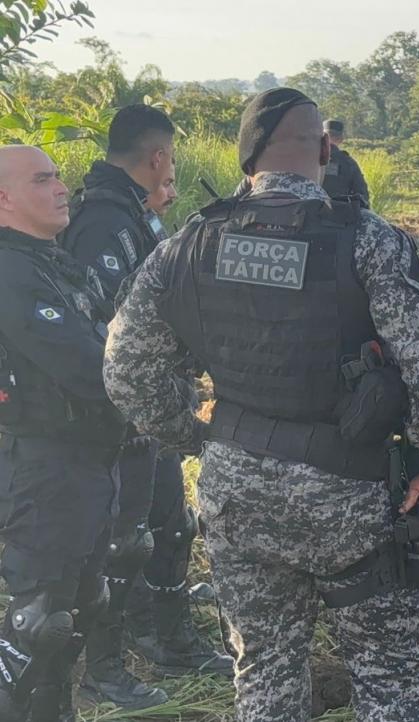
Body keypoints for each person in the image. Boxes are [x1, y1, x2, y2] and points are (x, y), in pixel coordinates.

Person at [102, 88, 419, 722]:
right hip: (355, 497)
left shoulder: (186, 246)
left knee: (265, 669)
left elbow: (126, 371)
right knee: (388, 680)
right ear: (326, 148)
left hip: (235, 495)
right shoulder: (369, 241)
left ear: (244, 159)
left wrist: (197, 439)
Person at [60, 104, 231, 710]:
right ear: (157, 156)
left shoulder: (137, 214)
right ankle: (106, 669)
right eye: (172, 159)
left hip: (157, 405)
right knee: (125, 538)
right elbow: (108, 321)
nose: (173, 172)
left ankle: (169, 637)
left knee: (169, 526)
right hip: (126, 411)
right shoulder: (103, 221)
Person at [0, 145, 124, 722]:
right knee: (38, 618)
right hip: (42, 462)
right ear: (3, 198)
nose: (60, 187)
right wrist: (152, 387)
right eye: (43, 179)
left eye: (58, 176)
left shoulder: (53, 260)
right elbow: (86, 366)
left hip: (90, 458)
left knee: (78, 604)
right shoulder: (9, 270)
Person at [322, 119, 370, 208]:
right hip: (339, 216)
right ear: (341, 139)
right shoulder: (348, 163)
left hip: (308, 216)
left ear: (322, 137)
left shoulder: (308, 160)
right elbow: (363, 196)